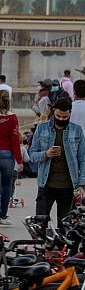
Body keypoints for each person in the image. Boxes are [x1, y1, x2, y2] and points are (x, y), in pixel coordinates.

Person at [30, 98, 85, 230]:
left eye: (65, 117)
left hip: (67, 187)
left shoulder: (76, 131)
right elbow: (32, 155)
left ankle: (62, 250)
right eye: (58, 116)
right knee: (39, 225)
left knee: (65, 227)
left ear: (70, 113)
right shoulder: (42, 128)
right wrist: (46, 154)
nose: (61, 119)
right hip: (45, 185)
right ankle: (42, 250)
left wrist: (81, 185)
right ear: (53, 112)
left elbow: (83, 160)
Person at [0, 90, 22, 225]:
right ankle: (2, 215)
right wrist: (19, 160)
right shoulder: (12, 118)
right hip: (7, 155)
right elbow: (15, 141)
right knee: (6, 185)